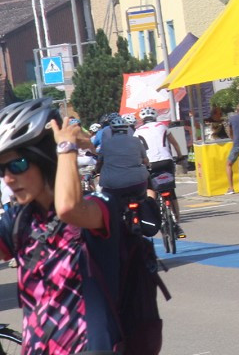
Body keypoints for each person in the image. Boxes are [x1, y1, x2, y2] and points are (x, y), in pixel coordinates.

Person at [0, 99, 131, 354]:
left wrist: (66, 148)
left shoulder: (99, 206)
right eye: (1, 168)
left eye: (17, 165)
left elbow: (68, 208)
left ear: (45, 159)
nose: (7, 178)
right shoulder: (19, 220)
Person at [136, 108, 186, 239]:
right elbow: (174, 143)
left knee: (150, 189)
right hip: (166, 162)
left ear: (142, 119)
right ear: (155, 117)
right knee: (170, 192)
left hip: (150, 163)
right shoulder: (163, 126)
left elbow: (137, 150)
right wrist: (180, 156)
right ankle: (177, 223)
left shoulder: (138, 131)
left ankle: (153, 214)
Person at [97, 114, 150, 201]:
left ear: (112, 130)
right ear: (127, 129)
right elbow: (145, 160)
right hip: (137, 182)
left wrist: (96, 170)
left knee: (108, 205)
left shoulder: (106, 144)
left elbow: (100, 162)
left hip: (114, 185)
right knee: (143, 199)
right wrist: (148, 165)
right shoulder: (136, 141)